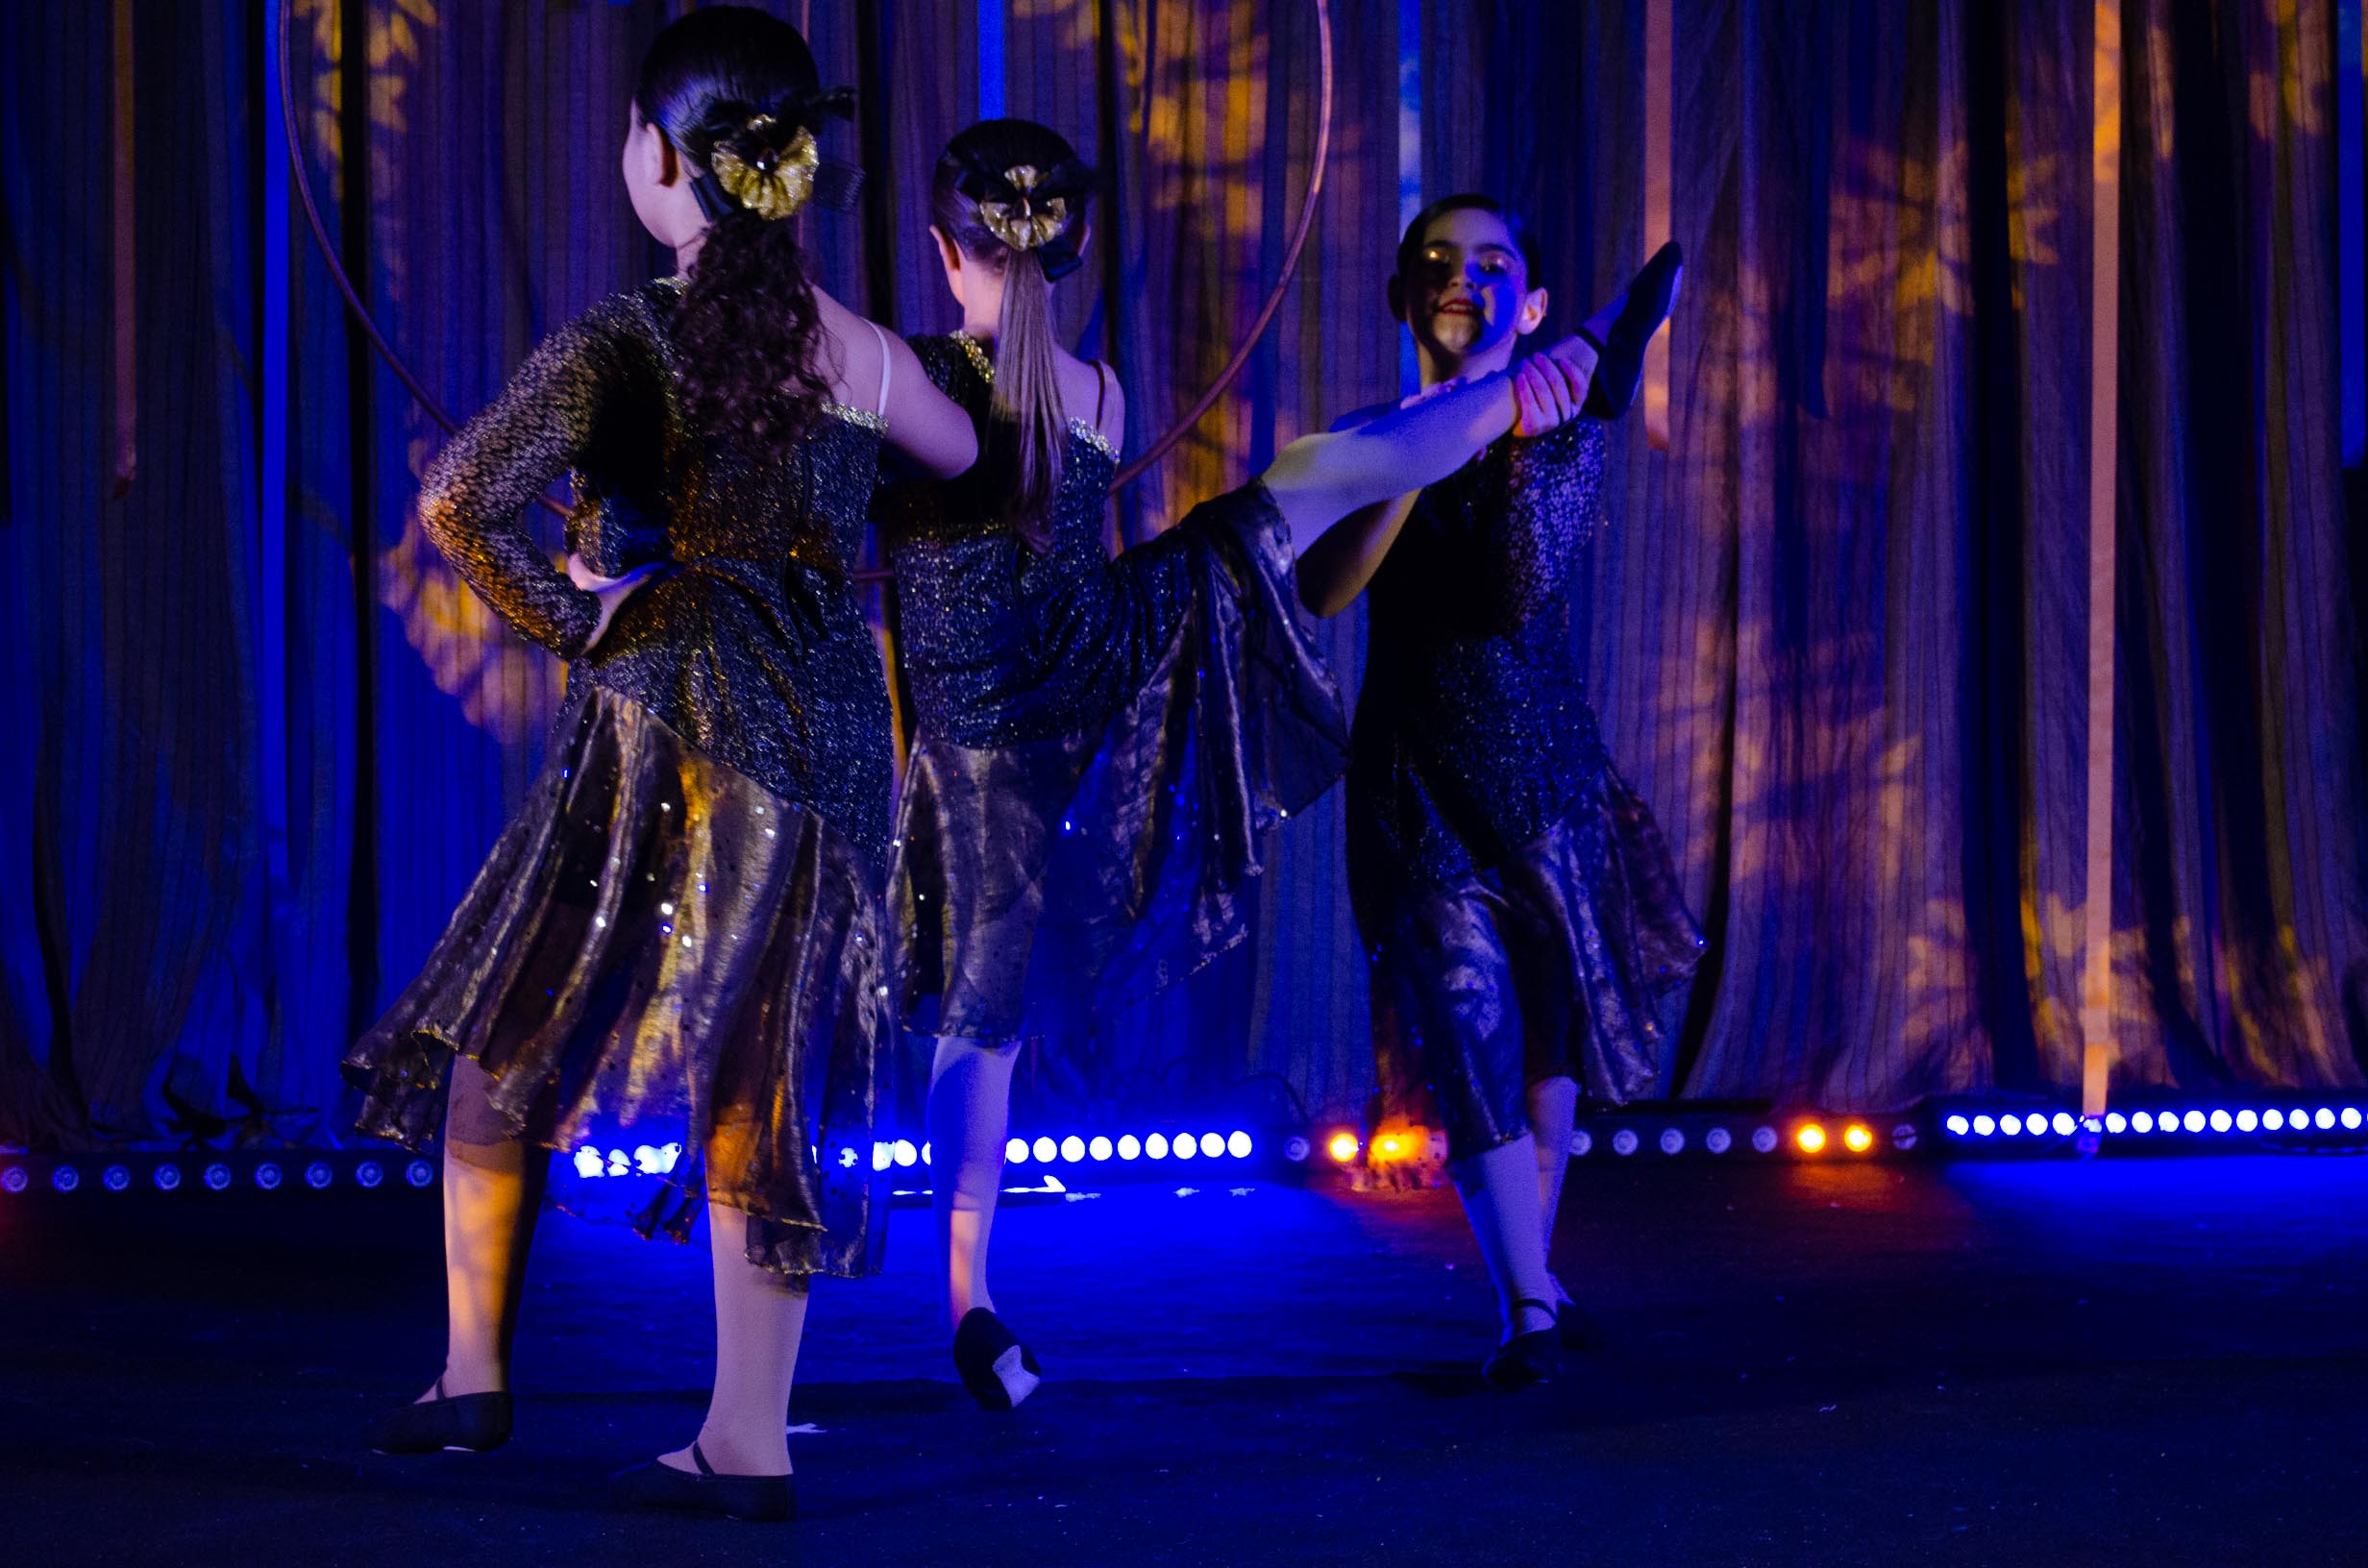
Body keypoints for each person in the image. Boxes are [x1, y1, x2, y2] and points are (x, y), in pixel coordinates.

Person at [342, 7, 975, 1521]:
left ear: (658, 156)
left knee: (512, 1020)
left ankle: (474, 1373)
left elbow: (458, 500)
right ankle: (745, 1438)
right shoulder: (857, 348)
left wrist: (587, 611)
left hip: (670, 711)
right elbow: (965, 463)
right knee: (767, 1066)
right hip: (823, 721)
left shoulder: (622, 344)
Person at [882, 124, 1609, 1409]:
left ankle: (970, 1296)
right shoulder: (1097, 390)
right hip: (1092, 660)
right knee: (1318, 473)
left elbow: (920, 475)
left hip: (1002, 714)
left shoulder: (910, 379)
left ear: (946, 250)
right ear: (1076, 246)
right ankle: (972, 1306)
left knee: (980, 1016)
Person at [1295, 196, 1701, 1388]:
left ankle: (1539, 1275)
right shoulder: (1366, 438)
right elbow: (1323, 591)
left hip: (1541, 772)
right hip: (1414, 780)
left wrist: (1516, 419)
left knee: (1547, 1028)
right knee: (1466, 1025)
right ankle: (1525, 1302)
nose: (1460, 279)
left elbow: (1509, 585)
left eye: (1490, 265)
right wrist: (1413, 454)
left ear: (1526, 304)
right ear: (1401, 298)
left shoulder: (1560, 431)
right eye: (1436, 262)